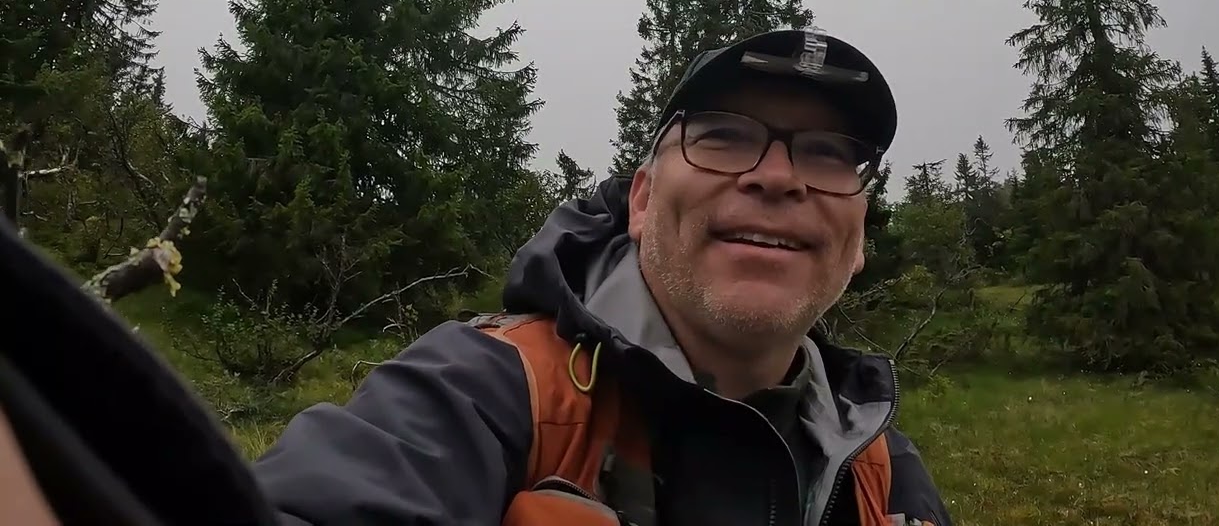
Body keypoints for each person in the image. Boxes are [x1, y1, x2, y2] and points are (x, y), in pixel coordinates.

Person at [251, 27, 953, 526]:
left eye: (828, 153)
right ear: (643, 201)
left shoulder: (878, 467)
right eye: (724, 137)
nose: (776, 177)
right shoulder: (481, 394)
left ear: (857, 237)